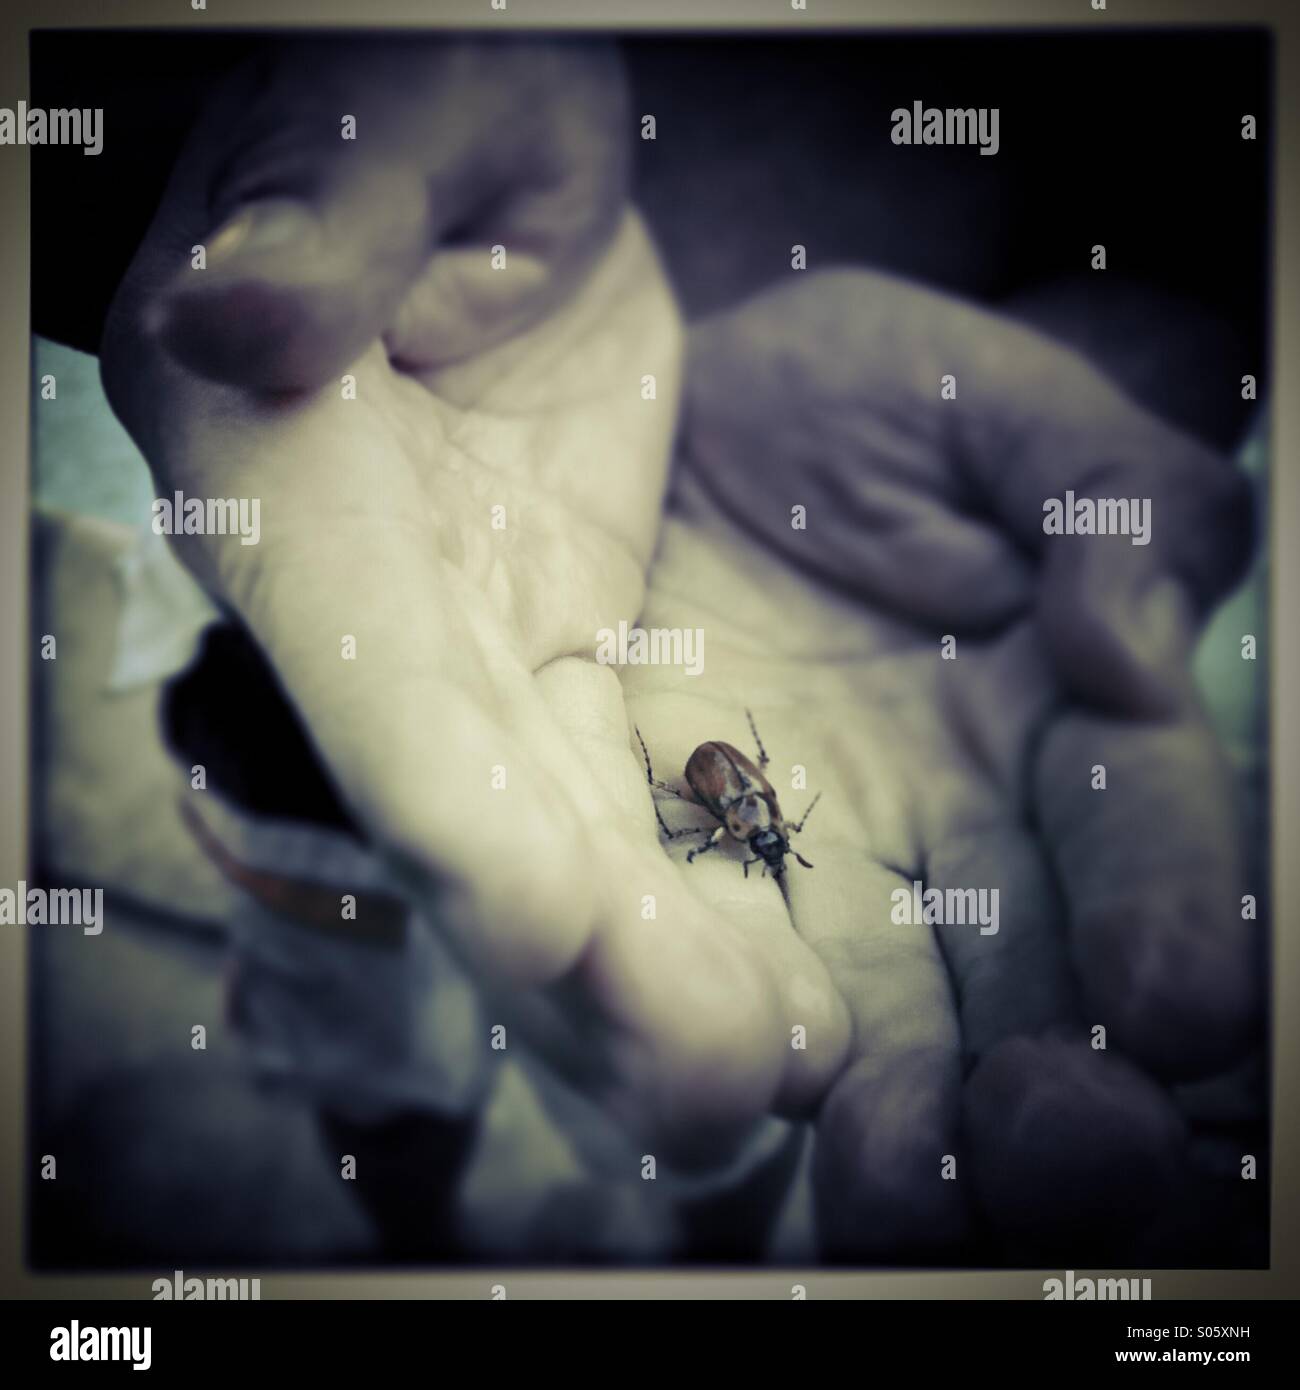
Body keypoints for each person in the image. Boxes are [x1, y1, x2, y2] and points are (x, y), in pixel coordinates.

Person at [76, 34, 1258, 1261]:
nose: (759, 827)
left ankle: (695, 1229)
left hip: (722, 620)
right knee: (369, 1038)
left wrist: (1089, 387)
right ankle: (409, 1232)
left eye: (758, 827)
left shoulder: (739, 810)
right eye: (758, 824)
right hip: (297, 696)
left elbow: (1200, 223)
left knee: (691, 1051)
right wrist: (268, 138)